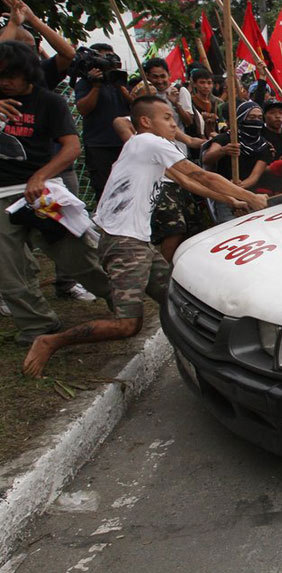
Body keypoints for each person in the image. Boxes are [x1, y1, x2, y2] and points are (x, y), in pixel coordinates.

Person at [21, 96, 267, 377]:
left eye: (173, 117)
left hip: (135, 240)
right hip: (125, 243)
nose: (173, 122)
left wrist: (230, 200)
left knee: (176, 299)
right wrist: (250, 196)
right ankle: (50, 342)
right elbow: (201, 175)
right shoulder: (149, 142)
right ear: (146, 122)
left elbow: (187, 181)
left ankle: (206, 357)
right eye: (166, 117)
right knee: (128, 325)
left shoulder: (145, 149)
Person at [0, 41, 111, 346]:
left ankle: (120, 300)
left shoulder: (49, 102)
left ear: (28, 73)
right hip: (1, 196)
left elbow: (71, 147)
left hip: (42, 193)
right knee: (8, 269)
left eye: (12, 75)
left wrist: (41, 175)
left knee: (78, 257)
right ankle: (37, 325)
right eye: (0, 75)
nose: (5, 82)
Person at [74, 43, 132, 198]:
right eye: (104, 57)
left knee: (129, 189)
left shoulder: (120, 81)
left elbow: (135, 106)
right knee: (105, 191)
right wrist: (96, 86)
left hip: (125, 143)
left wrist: (120, 85)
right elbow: (83, 109)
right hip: (99, 146)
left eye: (110, 57)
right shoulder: (85, 83)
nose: (108, 61)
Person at [203, 101, 274, 220]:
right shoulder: (225, 138)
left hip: (250, 195)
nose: (256, 121)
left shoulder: (264, 146)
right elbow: (207, 159)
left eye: (259, 118)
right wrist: (224, 150)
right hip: (225, 195)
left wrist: (239, 187)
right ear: (241, 118)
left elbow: (254, 177)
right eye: (251, 117)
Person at [189, 67, 221, 139]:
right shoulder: (191, 102)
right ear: (194, 84)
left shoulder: (216, 104)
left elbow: (222, 124)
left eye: (209, 83)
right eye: (202, 82)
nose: (206, 86)